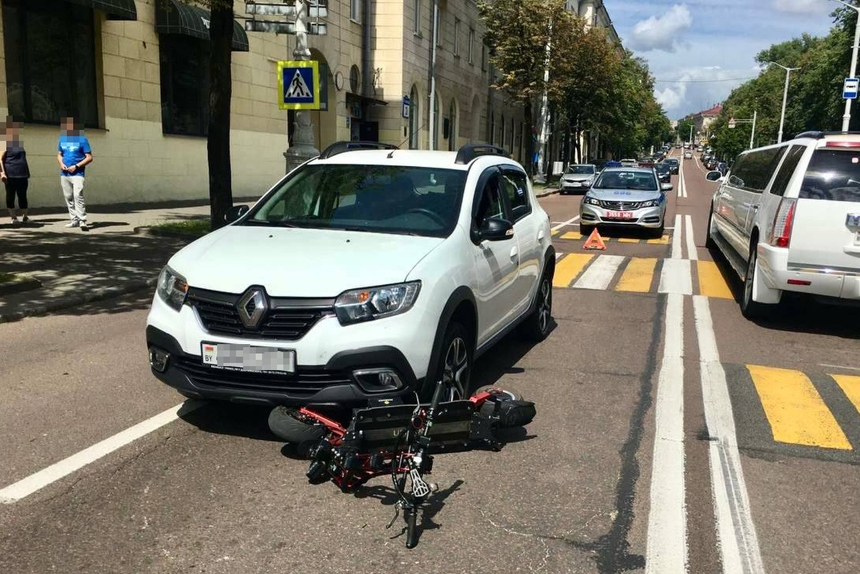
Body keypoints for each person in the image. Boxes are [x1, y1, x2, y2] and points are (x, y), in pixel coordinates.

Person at [57, 116, 93, 230]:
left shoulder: (83, 140)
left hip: (78, 173)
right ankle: (74, 220)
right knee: (68, 197)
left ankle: (82, 220)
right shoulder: (62, 139)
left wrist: (76, 166)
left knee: (78, 195)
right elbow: (59, 154)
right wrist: (61, 164)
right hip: (65, 173)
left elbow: (89, 157)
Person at [1, 118, 30, 225]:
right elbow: (0, 159)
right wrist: (2, 173)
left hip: (22, 174)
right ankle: (13, 217)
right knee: (11, 195)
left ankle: (25, 217)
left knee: (23, 195)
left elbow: (23, 159)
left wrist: (27, 172)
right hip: (10, 174)